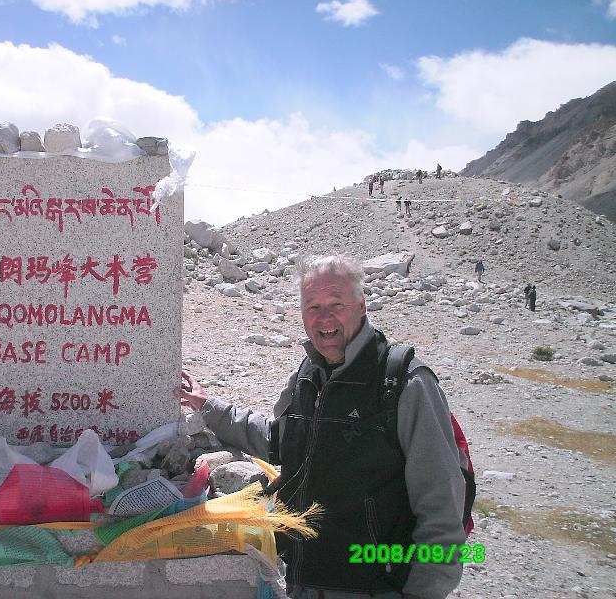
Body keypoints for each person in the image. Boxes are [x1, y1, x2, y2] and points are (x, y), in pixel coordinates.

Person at [177, 255, 466, 599]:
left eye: (336, 304)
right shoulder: (306, 377)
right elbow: (276, 439)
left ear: (361, 306)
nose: (324, 318)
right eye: (312, 306)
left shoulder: (404, 383)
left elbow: (441, 506)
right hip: (302, 583)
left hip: (373, 588)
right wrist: (208, 407)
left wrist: (422, 593)